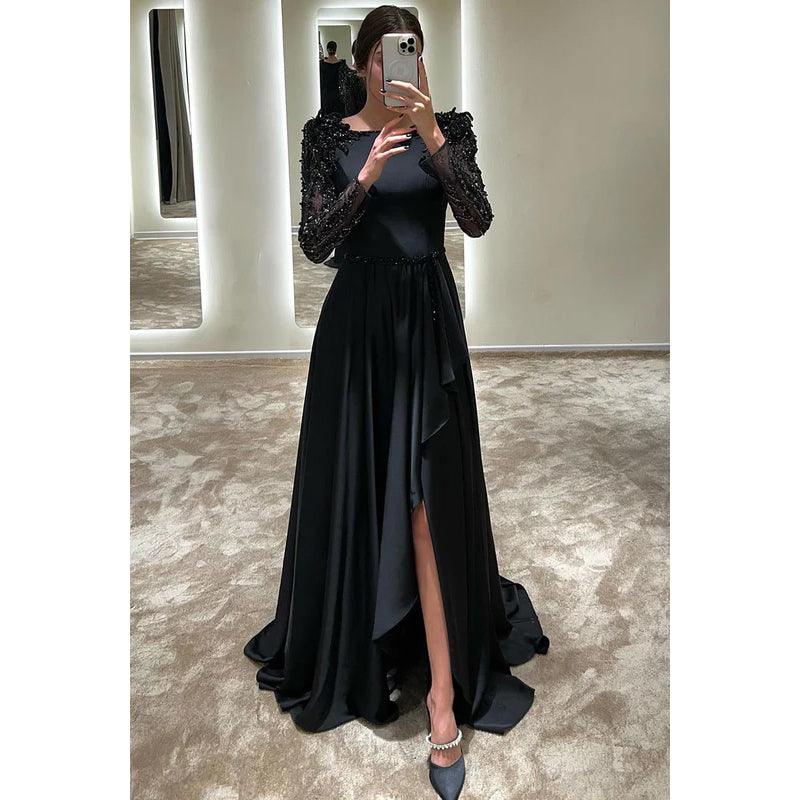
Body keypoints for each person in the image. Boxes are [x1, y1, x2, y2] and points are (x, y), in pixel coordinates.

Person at [244, 6, 549, 799]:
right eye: (384, 55)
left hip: (427, 328)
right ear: (362, 64)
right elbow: (316, 243)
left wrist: (435, 138)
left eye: (409, 52)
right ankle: (370, 638)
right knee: (365, 486)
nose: (396, 66)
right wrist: (367, 178)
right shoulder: (327, 136)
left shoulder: (451, 130)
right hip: (357, 335)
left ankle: (443, 699)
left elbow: (477, 219)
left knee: (424, 501)